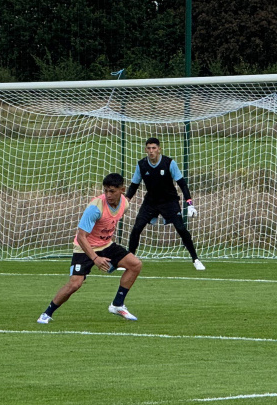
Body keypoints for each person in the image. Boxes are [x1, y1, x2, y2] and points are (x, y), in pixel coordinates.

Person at [37, 173, 142, 324]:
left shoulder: (124, 204)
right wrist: (95, 258)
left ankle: (117, 304)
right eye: (105, 190)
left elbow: (109, 225)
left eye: (112, 191)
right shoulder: (95, 208)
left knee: (135, 265)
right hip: (84, 247)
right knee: (75, 284)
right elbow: (81, 236)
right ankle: (47, 313)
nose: (108, 195)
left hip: (106, 245)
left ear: (122, 190)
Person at [125, 138, 205, 270]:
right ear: (146, 150)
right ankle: (129, 260)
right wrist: (126, 200)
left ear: (159, 149)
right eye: (149, 148)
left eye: (154, 148)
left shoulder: (169, 163)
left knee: (181, 228)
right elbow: (134, 185)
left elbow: (182, 184)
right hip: (151, 202)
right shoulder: (141, 165)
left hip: (169, 201)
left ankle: (195, 259)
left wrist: (189, 203)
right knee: (137, 228)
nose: (151, 151)